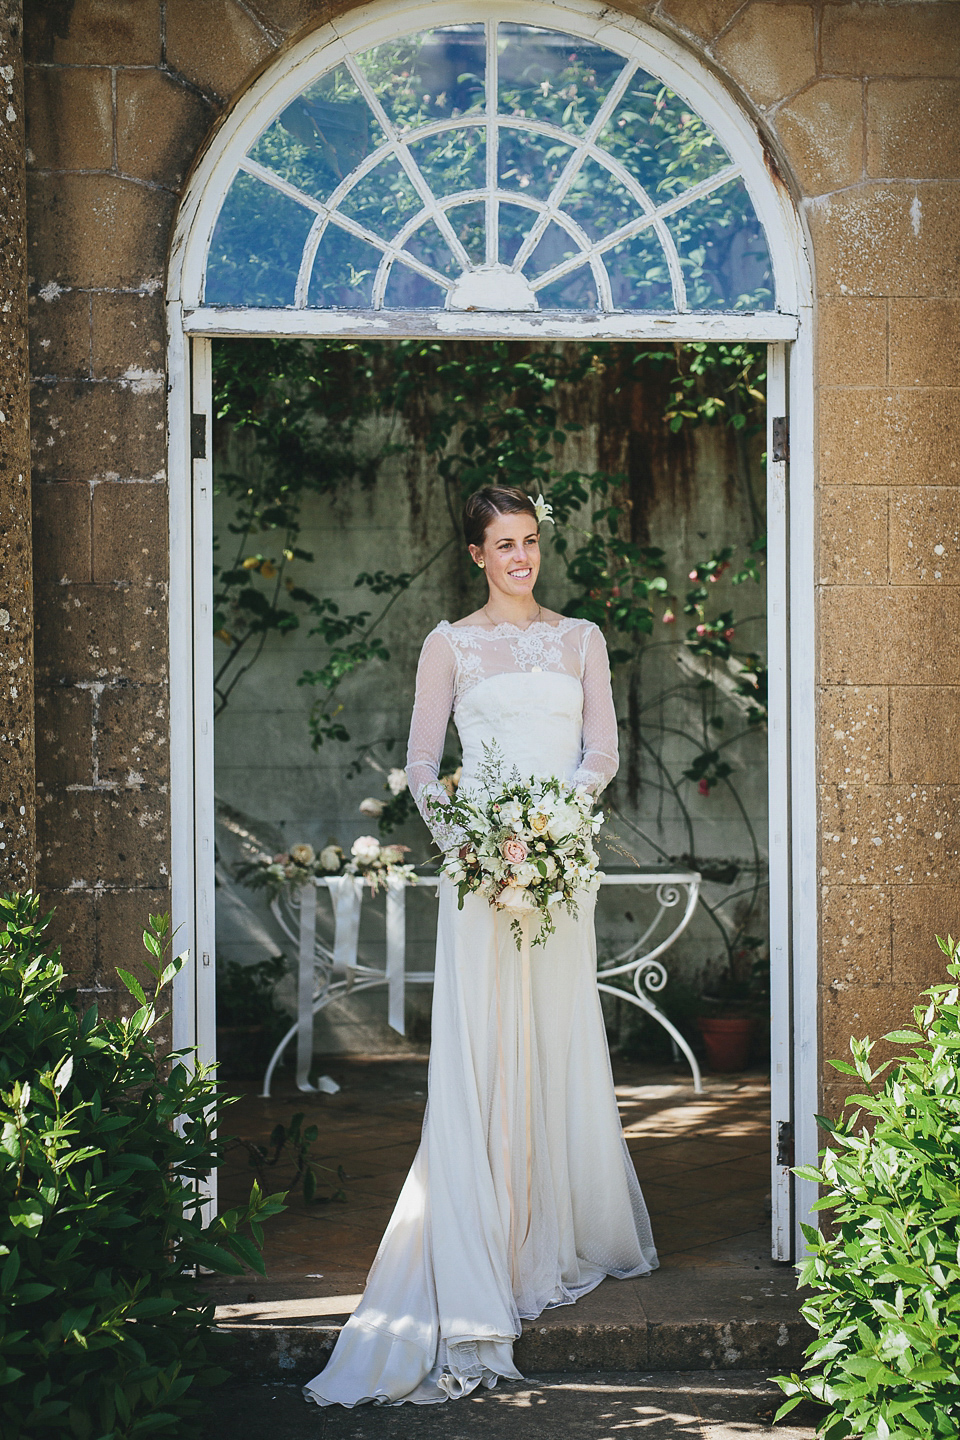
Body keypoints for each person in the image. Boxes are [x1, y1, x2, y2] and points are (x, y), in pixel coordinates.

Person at [303, 485, 657, 1409]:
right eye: (503, 545)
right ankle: (482, 1233)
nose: (520, 559)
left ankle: (549, 1227)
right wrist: (468, 841)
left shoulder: (581, 639)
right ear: (475, 554)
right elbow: (423, 764)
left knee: (553, 1038)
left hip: (554, 869)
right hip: (476, 876)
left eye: (531, 542)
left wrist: (549, 832)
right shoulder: (448, 646)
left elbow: (602, 752)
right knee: (484, 1049)